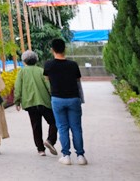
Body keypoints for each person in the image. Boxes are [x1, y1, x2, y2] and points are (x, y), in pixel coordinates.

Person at [43, 38, 86, 166]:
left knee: (62, 128)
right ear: (64, 49)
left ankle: (66, 155)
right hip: (73, 99)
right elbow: (78, 81)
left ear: (52, 50)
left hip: (57, 99)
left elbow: (47, 78)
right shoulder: (73, 65)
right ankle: (81, 156)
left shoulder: (48, 65)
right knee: (76, 128)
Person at [14, 50, 58, 157]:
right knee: (54, 122)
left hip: (30, 103)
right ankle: (50, 140)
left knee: (36, 126)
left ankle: (40, 150)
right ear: (36, 60)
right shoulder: (41, 71)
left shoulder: (22, 72)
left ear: (24, 61)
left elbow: (18, 88)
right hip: (44, 101)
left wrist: (17, 101)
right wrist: (53, 97)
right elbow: (49, 86)